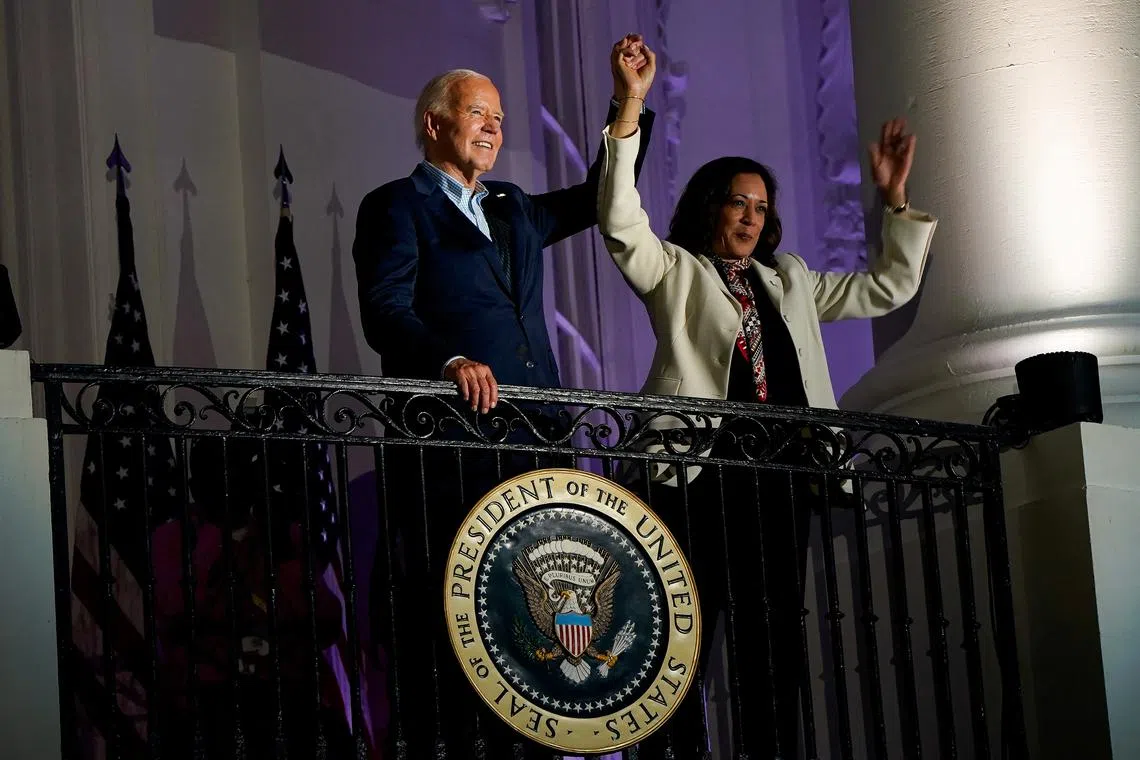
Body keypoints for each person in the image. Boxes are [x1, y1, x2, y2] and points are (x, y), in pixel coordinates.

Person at [599, 41, 937, 759]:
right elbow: (621, 222)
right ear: (709, 208)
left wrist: (895, 200)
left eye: (761, 206)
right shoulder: (678, 271)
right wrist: (630, 105)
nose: (752, 216)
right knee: (682, 643)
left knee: (773, 642)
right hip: (695, 478)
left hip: (782, 483)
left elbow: (889, 287)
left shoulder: (790, 280)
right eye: (737, 202)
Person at [351, 36, 658, 759]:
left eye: (500, 117)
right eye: (478, 113)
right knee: (459, 619)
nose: (494, 126)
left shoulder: (515, 206)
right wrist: (450, 358)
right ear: (433, 123)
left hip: (537, 437)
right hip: (451, 444)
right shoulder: (397, 206)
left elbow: (597, 197)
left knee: (536, 620)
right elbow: (385, 310)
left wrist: (630, 103)